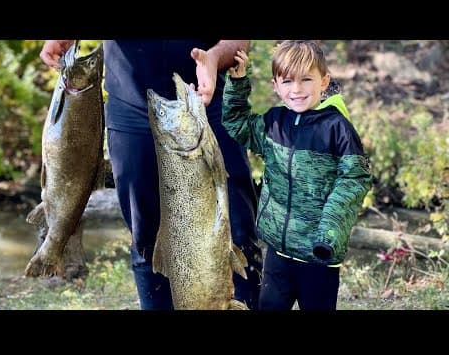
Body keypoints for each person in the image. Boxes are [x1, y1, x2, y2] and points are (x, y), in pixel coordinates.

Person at [39, 40, 262, 310]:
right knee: (146, 235)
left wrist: (214, 58)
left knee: (237, 228)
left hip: (208, 100)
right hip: (132, 109)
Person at [222, 40, 372, 310]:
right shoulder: (274, 122)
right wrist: (237, 82)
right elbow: (237, 124)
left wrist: (328, 233)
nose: (297, 89)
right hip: (278, 254)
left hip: (318, 257)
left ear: (324, 81)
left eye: (306, 79)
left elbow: (355, 179)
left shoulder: (336, 127)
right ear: (276, 86)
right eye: (288, 81)